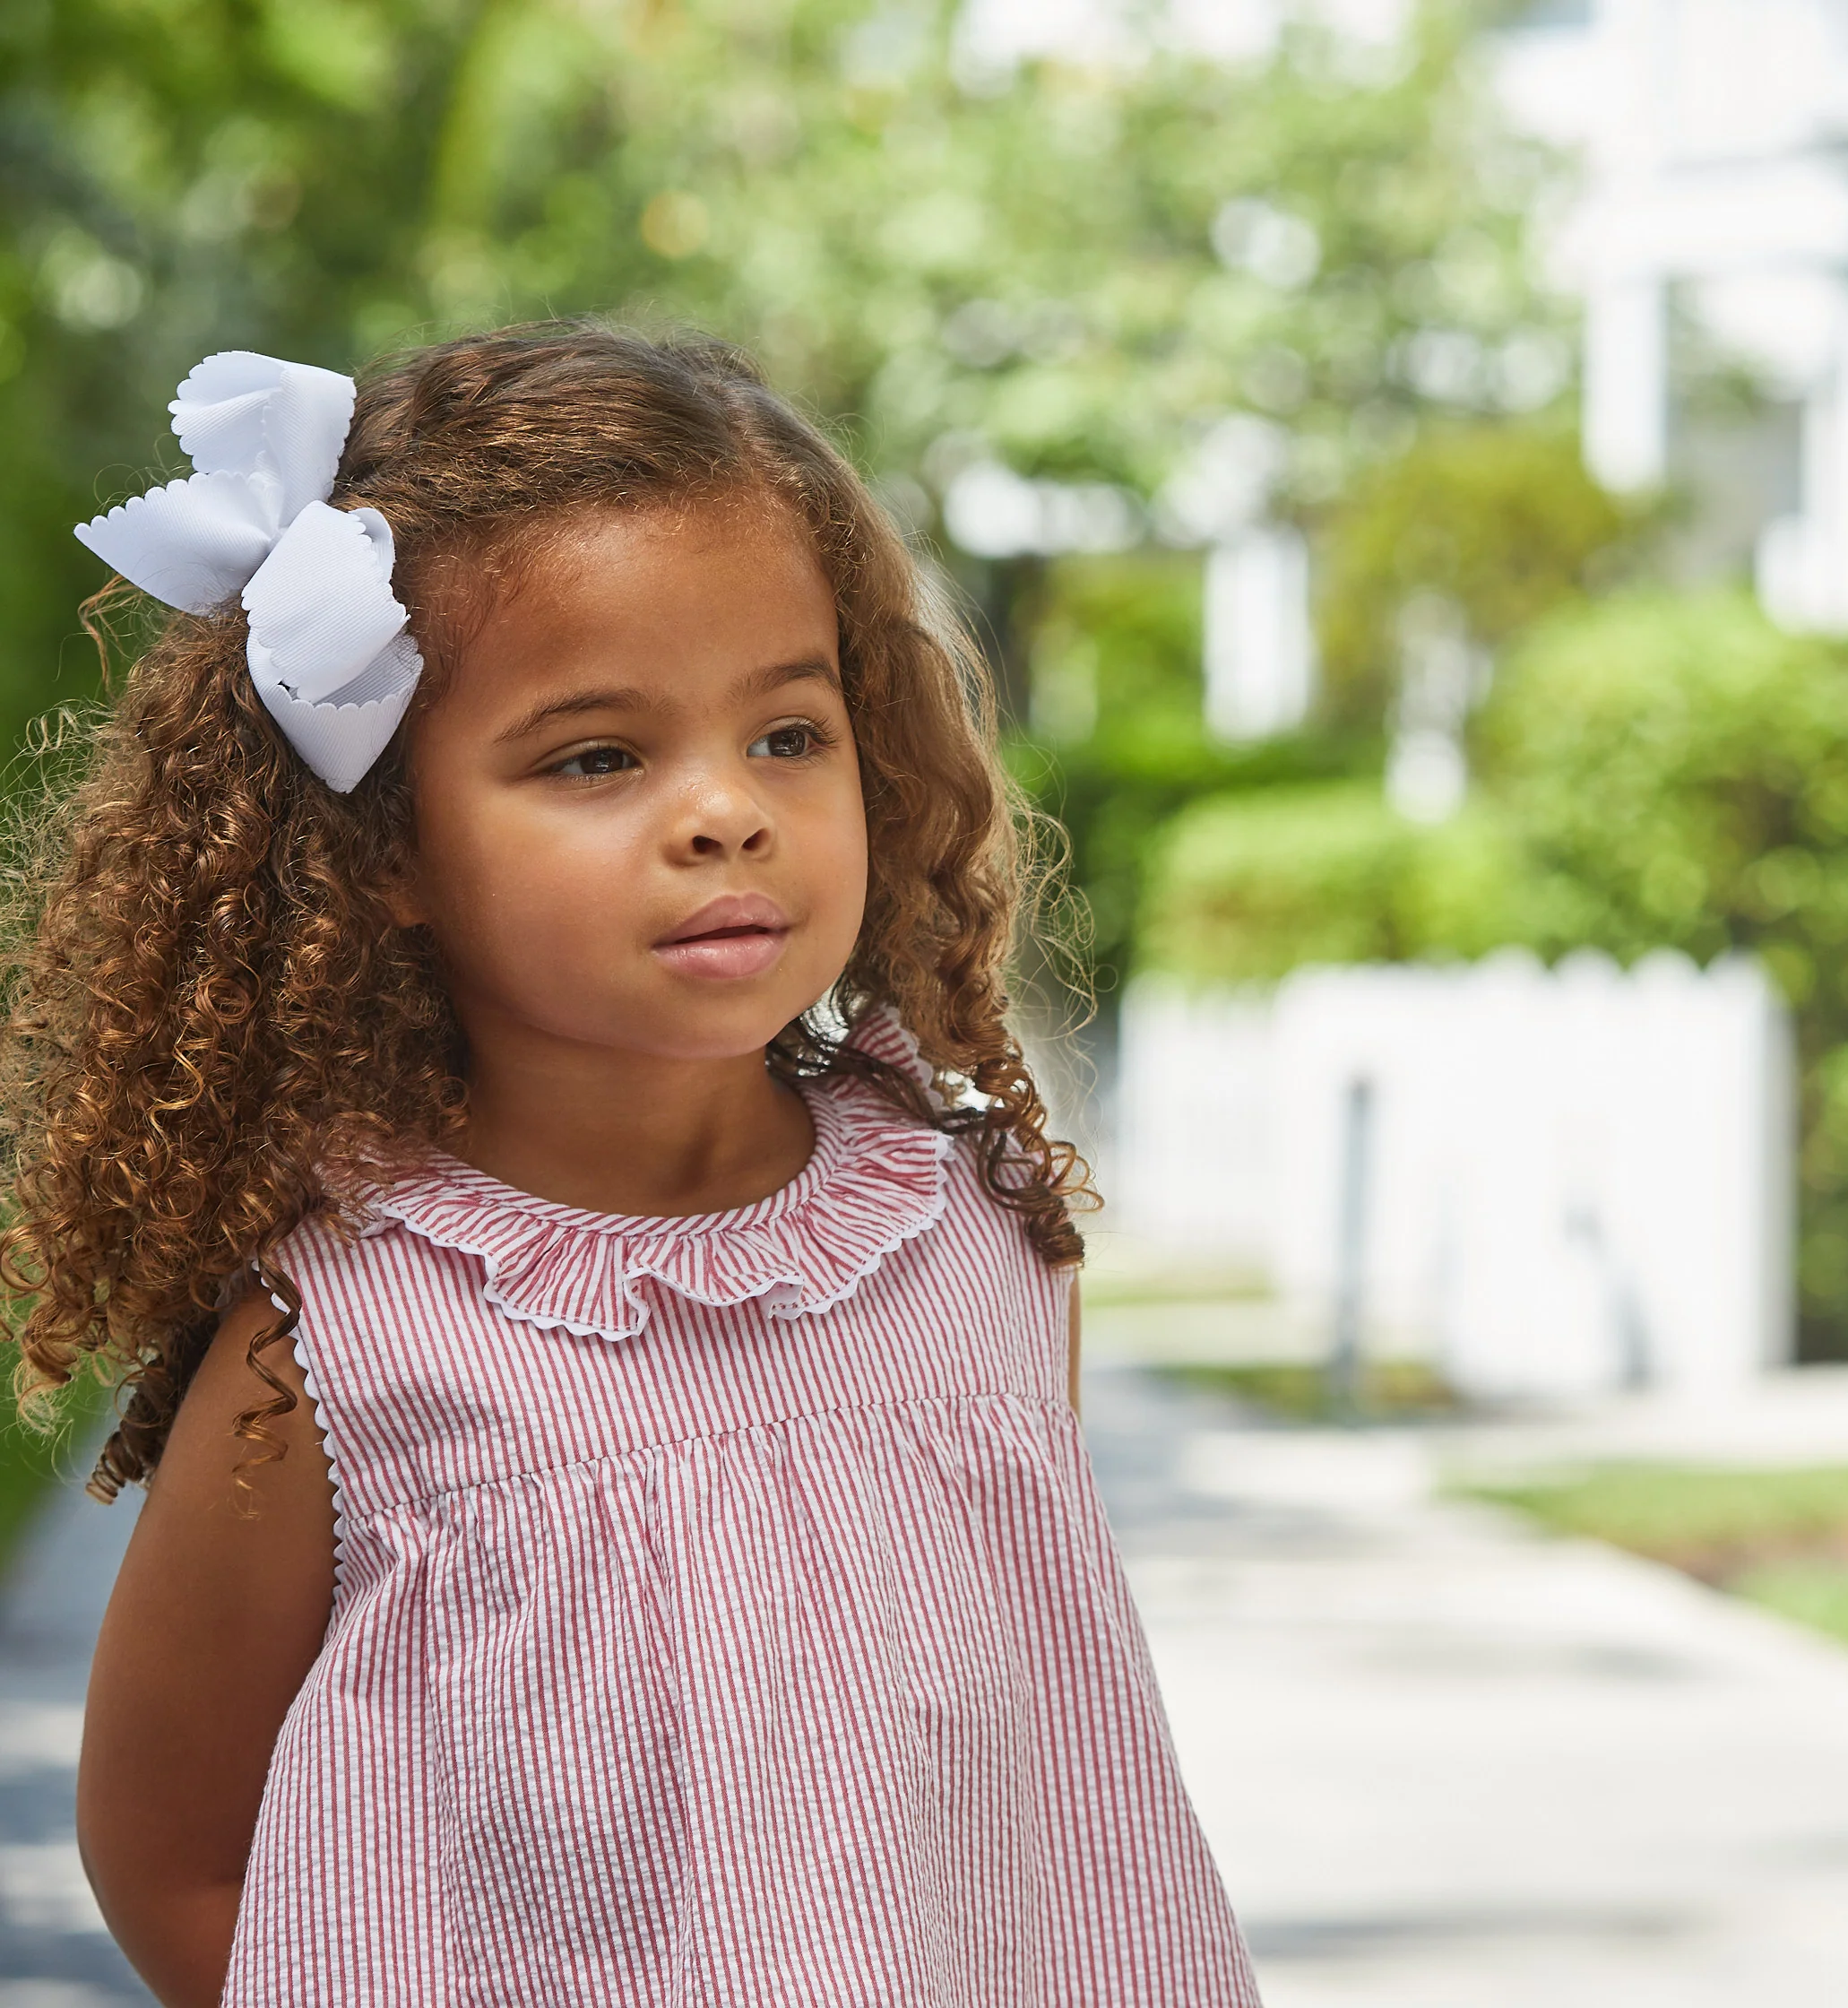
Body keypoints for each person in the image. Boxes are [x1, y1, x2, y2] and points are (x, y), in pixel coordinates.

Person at [4, 326, 1261, 2005]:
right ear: (387, 846)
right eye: (600, 757)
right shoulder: (339, 1351)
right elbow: (177, 1857)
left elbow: (1032, 1777)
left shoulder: (977, 1237)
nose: (725, 814)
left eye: (789, 737)